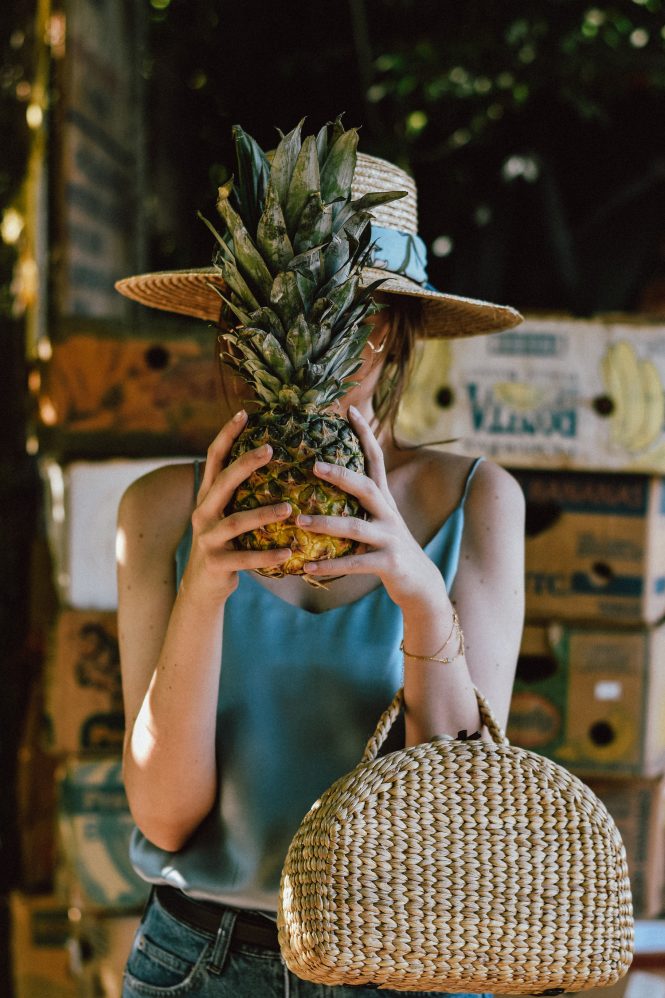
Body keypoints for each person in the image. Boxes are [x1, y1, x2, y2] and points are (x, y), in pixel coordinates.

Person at [115, 138, 526, 998]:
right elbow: (164, 816)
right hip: (205, 962)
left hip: (411, 964)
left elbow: (450, 818)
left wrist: (417, 593)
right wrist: (203, 590)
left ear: (390, 327)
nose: (342, 347)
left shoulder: (479, 502)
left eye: (360, 319)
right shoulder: (158, 513)